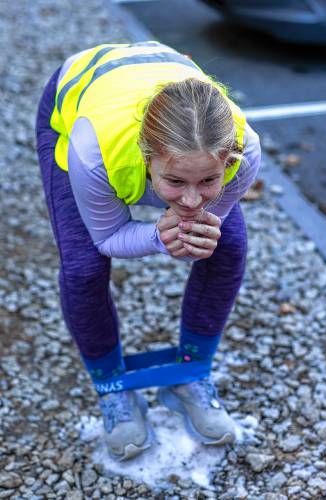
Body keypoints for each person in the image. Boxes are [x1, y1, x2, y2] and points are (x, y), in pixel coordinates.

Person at [36, 41, 261, 460]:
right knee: (83, 267)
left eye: (208, 181)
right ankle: (112, 390)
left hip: (162, 93)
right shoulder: (94, 151)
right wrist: (158, 237)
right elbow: (107, 238)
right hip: (78, 96)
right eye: (175, 182)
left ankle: (191, 375)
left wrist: (195, 239)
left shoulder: (245, 151)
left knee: (227, 248)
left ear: (228, 161)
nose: (193, 201)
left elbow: (203, 236)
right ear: (146, 160)